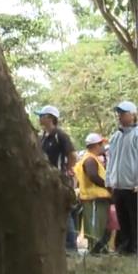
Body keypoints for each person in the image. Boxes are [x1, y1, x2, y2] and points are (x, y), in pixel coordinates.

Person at [36, 105, 79, 251]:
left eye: (42, 115)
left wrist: (66, 171)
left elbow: (72, 155)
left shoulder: (60, 135)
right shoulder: (42, 138)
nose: (39, 118)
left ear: (50, 118)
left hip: (59, 179)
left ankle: (71, 247)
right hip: (46, 180)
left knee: (63, 212)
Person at [106, 101, 138, 255]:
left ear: (133, 115)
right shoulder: (116, 136)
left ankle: (135, 248)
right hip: (118, 185)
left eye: (124, 113)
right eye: (119, 113)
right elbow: (110, 160)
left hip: (133, 185)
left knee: (135, 219)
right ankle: (125, 248)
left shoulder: (136, 134)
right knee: (122, 219)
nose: (120, 116)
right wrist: (109, 181)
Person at [75, 133, 112, 254]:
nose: (103, 147)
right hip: (94, 199)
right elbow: (93, 176)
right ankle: (95, 251)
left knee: (101, 226)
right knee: (95, 228)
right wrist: (108, 186)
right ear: (96, 145)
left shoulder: (92, 158)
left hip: (97, 199)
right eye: (102, 144)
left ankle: (99, 250)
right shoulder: (90, 159)